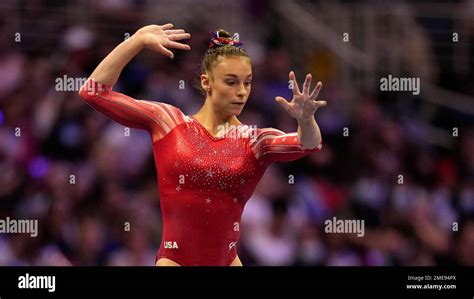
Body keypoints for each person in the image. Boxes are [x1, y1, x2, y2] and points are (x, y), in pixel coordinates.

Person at [79, 23, 327, 266]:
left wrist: (306, 120)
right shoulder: (169, 123)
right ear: (207, 82)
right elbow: (93, 91)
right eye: (231, 82)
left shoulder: (256, 140)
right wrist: (137, 40)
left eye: (247, 82)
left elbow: (309, 144)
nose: (241, 92)